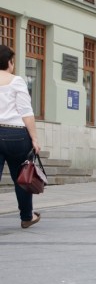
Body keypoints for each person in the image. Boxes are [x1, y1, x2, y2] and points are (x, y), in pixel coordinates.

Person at [0, 44, 42, 229]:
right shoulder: (16, 81)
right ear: (9, 62)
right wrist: (34, 138)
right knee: (22, 176)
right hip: (16, 134)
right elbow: (26, 112)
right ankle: (27, 216)